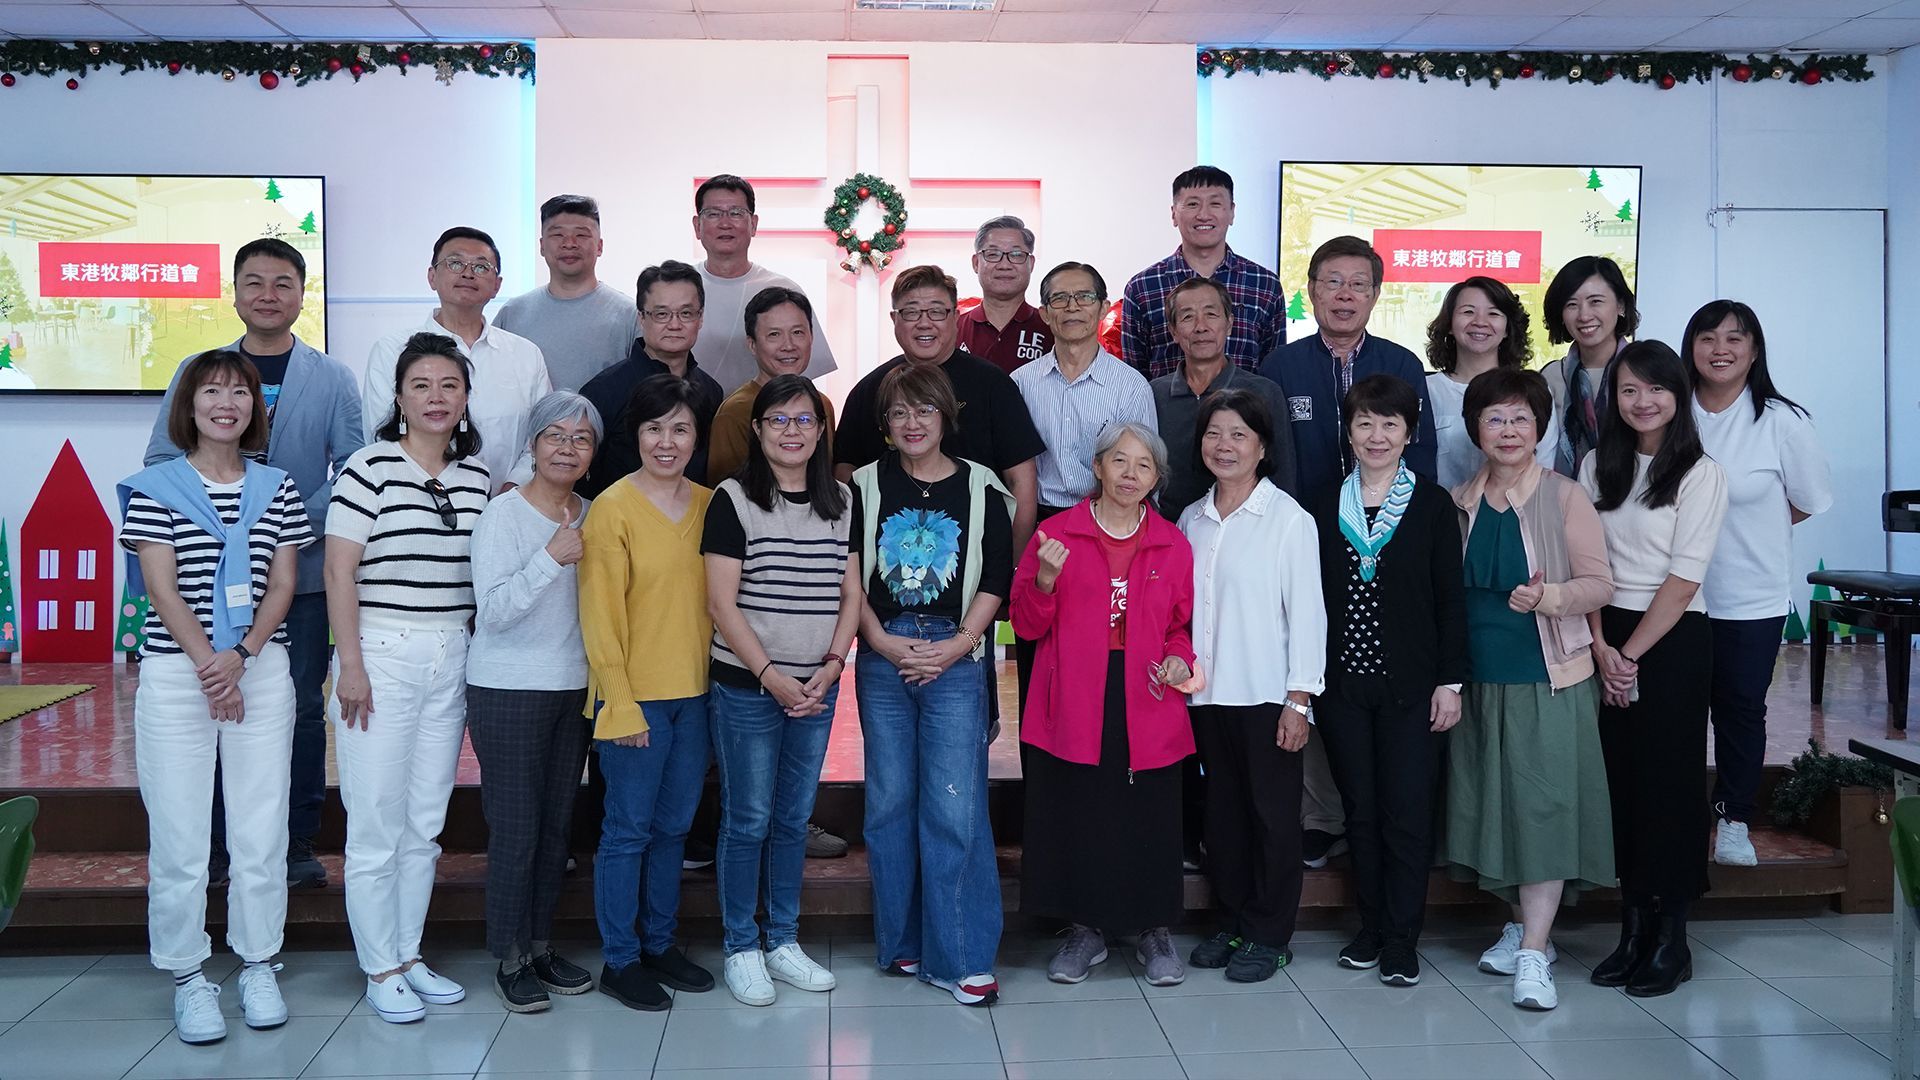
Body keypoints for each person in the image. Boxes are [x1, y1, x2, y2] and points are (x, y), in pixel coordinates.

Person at [142, 237, 361, 890]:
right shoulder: (198, 370)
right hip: (205, 584)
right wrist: (225, 522)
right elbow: (161, 462)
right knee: (211, 703)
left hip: (301, 576)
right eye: (255, 282)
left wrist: (275, 519)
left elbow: (352, 471)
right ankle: (214, 847)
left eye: (283, 283)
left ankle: (294, 840)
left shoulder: (332, 377)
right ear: (234, 292)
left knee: (298, 711)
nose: (269, 295)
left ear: (302, 294)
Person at [120, 349, 313, 1045]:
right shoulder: (156, 487)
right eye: (211, 391)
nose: (226, 403)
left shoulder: (277, 486)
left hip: (258, 667)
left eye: (240, 392)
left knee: (261, 830)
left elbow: (284, 583)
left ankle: (259, 963)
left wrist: (241, 656)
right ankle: (187, 976)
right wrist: (211, 666)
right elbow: (160, 588)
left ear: (256, 408)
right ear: (189, 405)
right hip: (180, 676)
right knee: (180, 836)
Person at [327, 332, 492, 1023]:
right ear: (398, 397)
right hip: (381, 652)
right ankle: (379, 966)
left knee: (425, 821)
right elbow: (339, 570)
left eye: (449, 385)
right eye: (420, 385)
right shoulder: (369, 467)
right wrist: (352, 665)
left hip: (451, 653)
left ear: (466, 398)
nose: (435, 397)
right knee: (375, 820)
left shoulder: (477, 478)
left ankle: (408, 952)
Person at [1440, 367, 1616, 1013]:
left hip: (1548, 678)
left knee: (1542, 813)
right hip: (1476, 682)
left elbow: (1600, 584)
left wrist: (1550, 597)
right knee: (1492, 810)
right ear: (1475, 430)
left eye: (1521, 418)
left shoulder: (1564, 495)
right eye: (1495, 418)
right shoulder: (1457, 501)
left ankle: (1537, 952)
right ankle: (1518, 926)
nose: (1508, 430)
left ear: (1540, 428)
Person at [1013, 421, 1197, 990]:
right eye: (1119, 461)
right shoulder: (1056, 534)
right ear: (1097, 467)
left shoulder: (1172, 542)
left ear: (1156, 478)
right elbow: (1025, 625)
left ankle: (1154, 930)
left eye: (1144, 465)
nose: (1130, 474)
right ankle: (1084, 931)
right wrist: (1045, 580)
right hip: (1074, 692)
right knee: (1081, 812)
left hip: (1147, 692)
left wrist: (1180, 659)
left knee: (1150, 815)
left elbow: (1181, 627)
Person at [851, 363, 1013, 1006]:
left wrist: (958, 645)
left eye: (924, 410)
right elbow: (850, 576)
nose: (912, 423)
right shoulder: (863, 486)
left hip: (956, 649)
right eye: (899, 413)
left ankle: (963, 956)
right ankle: (903, 942)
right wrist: (880, 640)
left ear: (946, 416)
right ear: (885, 425)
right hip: (882, 651)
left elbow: (996, 576)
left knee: (954, 804)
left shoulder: (981, 486)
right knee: (889, 803)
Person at [703, 374, 860, 1005]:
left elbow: (851, 593)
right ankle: (741, 946)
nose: (791, 431)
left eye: (804, 420)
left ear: (821, 431)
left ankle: (783, 941)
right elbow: (721, 604)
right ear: (758, 429)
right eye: (778, 420)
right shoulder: (733, 498)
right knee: (748, 819)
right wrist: (771, 677)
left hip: (816, 687)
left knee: (793, 819)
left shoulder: (842, 500)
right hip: (748, 687)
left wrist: (833, 664)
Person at [1580, 341, 1728, 998]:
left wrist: (1630, 656)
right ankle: (1633, 929)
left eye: (1657, 389)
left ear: (1679, 395)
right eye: (1629, 389)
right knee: (1621, 783)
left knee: (1669, 785)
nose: (1643, 401)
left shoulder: (1701, 473)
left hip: (1670, 640)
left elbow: (1684, 579)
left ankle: (1673, 938)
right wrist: (1600, 647)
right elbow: (1586, 564)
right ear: (1613, 398)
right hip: (1605, 634)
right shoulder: (1596, 464)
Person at [1313, 374, 1466, 987]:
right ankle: (1371, 928)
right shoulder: (1323, 503)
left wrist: (1450, 682)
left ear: (1409, 433)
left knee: (1406, 813)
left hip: (1412, 689)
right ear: (1348, 431)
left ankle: (1403, 938)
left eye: (1390, 424)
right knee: (1361, 813)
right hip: (1343, 688)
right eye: (1365, 423)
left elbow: (1450, 600)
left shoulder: (1432, 505)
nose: (1376, 435)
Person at [579, 375, 718, 1012]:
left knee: (673, 830)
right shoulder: (612, 507)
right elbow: (599, 614)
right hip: (634, 701)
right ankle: (621, 958)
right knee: (627, 831)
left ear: (697, 436)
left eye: (680, 428)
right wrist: (620, 701)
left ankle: (660, 944)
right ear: (634, 435)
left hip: (697, 698)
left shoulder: (713, 504)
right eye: (654, 428)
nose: (667, 441)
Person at [1177, 390, 1325, 985]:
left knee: (1272, 819)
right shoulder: (1191, 520)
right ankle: (1232, 920)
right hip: (1206, 696)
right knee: (1222, 819)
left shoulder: (1288, 519)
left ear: (1263, 447)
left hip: (1267, 695)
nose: (1225, 446)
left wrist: (1299, 699)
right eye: (1214, 434)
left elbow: (1308, 615)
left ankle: (1270, 933)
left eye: (1239, 434)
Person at [465, 392, 603, 1012]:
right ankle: (509, 956)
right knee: (516, 829)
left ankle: (541, 945)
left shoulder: (594, 513)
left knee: (555, 831)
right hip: (507, 688)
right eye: (555, 435)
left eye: (581, 438)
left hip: (572, 686)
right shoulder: (504, 514)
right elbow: (493, 612)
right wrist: (550, 558)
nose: (567, 448)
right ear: (533, 444)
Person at [1685, 300, 1832, 867]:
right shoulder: (1672, 410)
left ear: (1753, 350)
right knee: (1675, 713)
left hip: (1750, 597)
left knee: (1740, 712)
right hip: (1674, 597)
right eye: (1707, 338)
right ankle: (1674, 818)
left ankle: (1734, 819)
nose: (1720, 349)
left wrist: (1750, 530)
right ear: (1691, 347)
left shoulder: (1781, 420)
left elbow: (1807, 501)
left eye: (1734, 339)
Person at [1010, 261, 1157, 711]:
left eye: (1084, 297)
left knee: (1099, 661)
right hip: (1044, 527)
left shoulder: (1130, 387)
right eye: (1059, 299)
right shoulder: (1021, 384)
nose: (1072, 307)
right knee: (1038, 658)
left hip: (1109, 529)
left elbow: (1142, 476)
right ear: (1044, 313)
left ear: (1104, 307)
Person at [835, 264, 1044, 555]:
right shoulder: (870, 389)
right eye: (911, 312)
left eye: (936, 311)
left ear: (955, 318)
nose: (924, 323)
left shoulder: (993, 385)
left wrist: (1015, 564)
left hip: (979, 556)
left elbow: (1021, 480)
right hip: (889, 560)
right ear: (894, 319)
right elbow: (845, 472)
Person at [362, 227, 551, 493]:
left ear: (497, 285)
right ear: (432, 277)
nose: (468, 273)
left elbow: (543, 433)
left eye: (481, 267)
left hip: (508, 502)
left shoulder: (526, 355)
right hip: (418, 502)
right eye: (455, 263)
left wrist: (511, 493)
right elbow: (381, 435)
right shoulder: (392, 351)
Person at [1260, 235, 1438, 510]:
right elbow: (1264, 454)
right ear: (1312, 290)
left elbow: (1420, 450)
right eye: (1333, 282)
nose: (1345, 294)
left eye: (1358, 284)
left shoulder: (1402, 365)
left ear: (1374, 295)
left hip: (1387, 519)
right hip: (1299, 518)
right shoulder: (1279, 366)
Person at [1149, 277, 1297, 518]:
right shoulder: (1153, 394)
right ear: (1173, 331)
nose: (1201, 327)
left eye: (1211, 314)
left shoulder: (1263, 392)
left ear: (1229, 324)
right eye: (1187, 317)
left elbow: (1283, 476)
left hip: (1245, 527)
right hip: (1168, 529)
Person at [579, 261, 725, 499]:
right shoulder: (603, 391)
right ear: (641, 318)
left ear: (700, 319)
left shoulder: (711, 391)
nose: (675, 324)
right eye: (661, 314)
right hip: (618, 519)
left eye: (686, 313)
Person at [1121, 166, 1284, 379]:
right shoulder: (1142, 287)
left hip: (1248, 402)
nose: (1204, 215)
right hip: (1166, 402)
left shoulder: (1265, 284)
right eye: (1192, 204)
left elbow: (1273, 371)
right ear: (1174, 214)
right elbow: (1134, 377)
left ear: (1232, 212)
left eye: (1215, 204)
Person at [692, 174, 837, 394]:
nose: (725, 223)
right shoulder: (677, 290)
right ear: (697, 226)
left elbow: (801, 374)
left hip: (767, 413)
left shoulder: (783, 291)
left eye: (736, 213)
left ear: (754, 224)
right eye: (713, 214)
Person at [1423, 276, 1559, 489]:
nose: (1480, 322)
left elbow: (1543, 465)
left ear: (1507, 329)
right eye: (1468, 312)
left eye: (1493, 313)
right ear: (1449, 324)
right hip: (1441, 507)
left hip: (1518, 507)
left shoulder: (1531, 391)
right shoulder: (1427, 390)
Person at [495, 194, 637, 392]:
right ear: (542, 246)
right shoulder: (513, 313)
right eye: (557, 235)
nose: (569, 243)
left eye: (581, 235)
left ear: (599, 246)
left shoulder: (629, 314)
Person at [705, 287, 837, 485]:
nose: (788, 345)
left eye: (798, 332)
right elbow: (723, 489)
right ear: (752, 344)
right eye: (774, 334)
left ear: (812, 337)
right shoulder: (735, 411)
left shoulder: (822, 404)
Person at [1541, 256, 1638, 477]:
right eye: (1571, 305)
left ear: (1621, 305)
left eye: (1595, 302)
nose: (1584, 315)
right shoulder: (1551, 377)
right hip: (1562, 493)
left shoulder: (1648, 372)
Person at [956, 215, 1052, 375]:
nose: (1005, 265)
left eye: (1016, 254)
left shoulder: (1052, 328)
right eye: (993, 254)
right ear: (976, 263)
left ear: (1031, 263)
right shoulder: (954, 329)